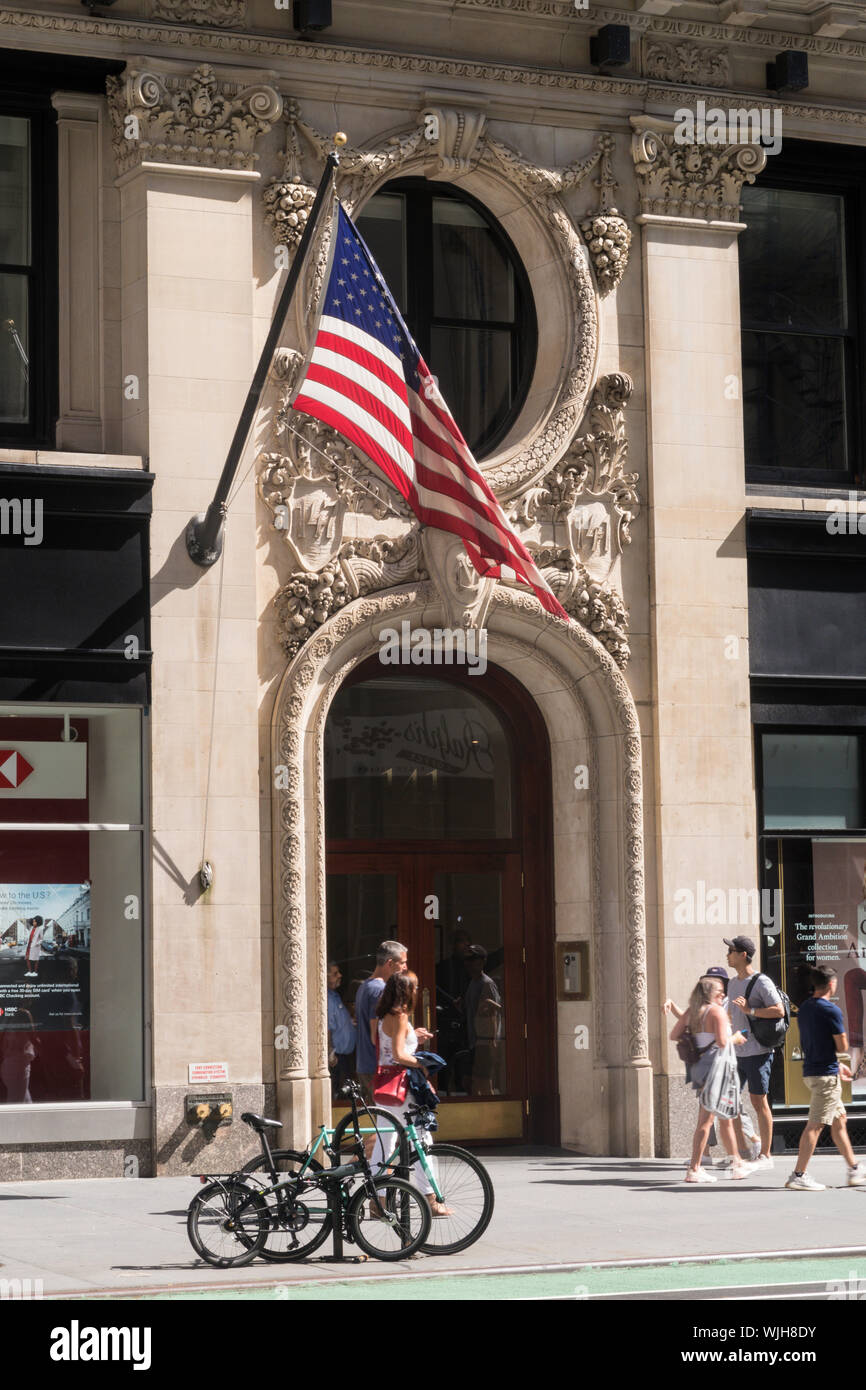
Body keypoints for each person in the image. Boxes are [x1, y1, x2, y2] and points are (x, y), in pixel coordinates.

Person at [372, 971, 450, 1217]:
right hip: (403, 1089)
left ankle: (377, 1201)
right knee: (422, 1139)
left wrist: (413, 1034)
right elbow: (398, 1055)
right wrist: (423, 1064)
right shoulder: (400, 1015)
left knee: (384, 1144)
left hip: (385, 1087)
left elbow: (387, 1046)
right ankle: (430, 1199)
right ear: (407, 990)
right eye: (415, 987)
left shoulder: (387, 1014)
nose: (417, 991)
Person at [785, 965, 866, 1191]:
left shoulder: (806, 1008)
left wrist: (837, 1064)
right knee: (816, 1125)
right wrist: (839, 1059)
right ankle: (798, 1174)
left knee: (839, 1121)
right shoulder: (831, 1011)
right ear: (832, 984)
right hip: (825, 1077)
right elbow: (843, 1045)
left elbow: (814, 1042)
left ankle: (854, 1169)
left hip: (814, 1071)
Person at [670, 973, 753, 1183]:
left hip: (701, 1069)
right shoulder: (716, 1011)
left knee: (724, 1118)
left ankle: (736, 1163)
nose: (722, 995)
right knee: (707, 1122)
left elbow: (674, 1034)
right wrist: (736, 1037)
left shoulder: (692, 1012)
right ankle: (695, 1168)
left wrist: (698, 1040)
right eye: (719, 992)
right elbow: (724, 1042)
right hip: (719, 1071)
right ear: (710, 994)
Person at [723, 935, 784, 1169]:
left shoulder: (762, 982)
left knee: (759, 1102)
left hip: (758, 1051)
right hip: (736, 1053)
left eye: (731, 951)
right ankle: (742, 1152)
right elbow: (732, 1015)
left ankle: (766, 1155)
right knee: (729, 1102)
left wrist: (751, 1010)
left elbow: (778, 1010)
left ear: (743, 955)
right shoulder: (731, 983)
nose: (728, 955)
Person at [354, 939, 431, 1099]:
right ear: (390, 963)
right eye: (402, 963)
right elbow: (378, 1036)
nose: (405, 968)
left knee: (381, 1121)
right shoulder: (379, 990)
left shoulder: (365, 986)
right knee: (389, 1121)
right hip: (378, 1068)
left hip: (366, 1065)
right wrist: (410, 1037)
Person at [463, 945, 502, 1096]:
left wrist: (492, 1041)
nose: (469, 963)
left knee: (484, 1082)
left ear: (482, 961)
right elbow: (475, 1011)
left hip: (484, 1041)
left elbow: (495, 1012)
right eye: (467, 960)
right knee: (471, 1082)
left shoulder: (487, 983)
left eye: (473, 959)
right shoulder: (473, 983)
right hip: (474, 1040)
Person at [326, 962, 356, 1098]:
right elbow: (326, 1028)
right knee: (339, 1096)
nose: (340, 975)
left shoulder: (334, 995)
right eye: (335, 974)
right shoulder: (326, 998)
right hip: (336, 1058)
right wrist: (330, 1053)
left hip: (344, 1057)